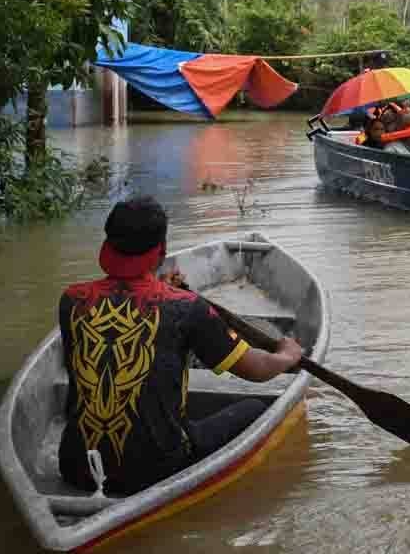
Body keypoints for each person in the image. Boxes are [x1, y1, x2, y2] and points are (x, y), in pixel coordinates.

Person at [57, 197, 303, 496]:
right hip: (156, 470)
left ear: (108, 244)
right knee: (254, 408)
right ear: (161, 250)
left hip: (75, 467)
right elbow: (257, 370)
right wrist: (287, 355)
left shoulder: (73, 300)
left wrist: (165, 288)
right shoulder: (188, 307)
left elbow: (130, 304)